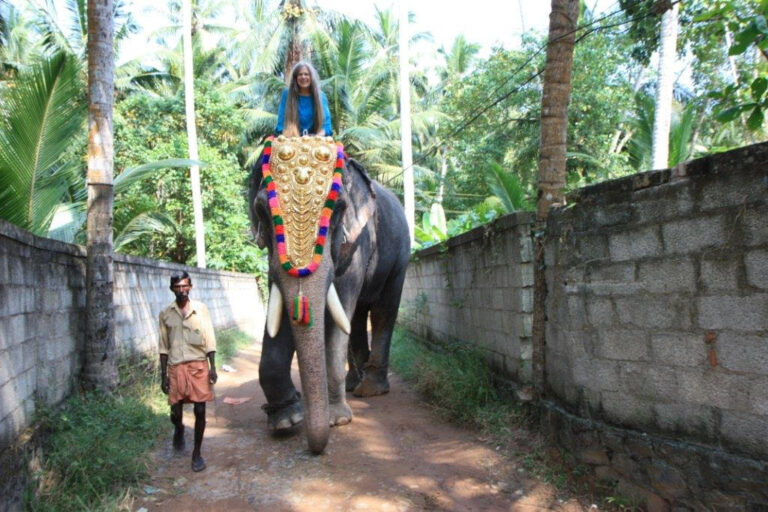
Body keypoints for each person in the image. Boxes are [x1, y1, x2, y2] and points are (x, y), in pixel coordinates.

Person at [158, 271, 218, 472]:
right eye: (177, 287)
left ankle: (197, 453)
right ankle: (179, 428)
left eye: (185, 286)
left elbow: (209, 337)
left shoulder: (201, 310)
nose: (182, 290)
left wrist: (213, 367)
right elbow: (163, 346)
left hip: (198, 366)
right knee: (176, 412)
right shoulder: (166, 314)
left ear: (190, 286)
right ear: (172, 289)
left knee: (200, 410)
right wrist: (163, 375)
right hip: (176, 367)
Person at [275, 61, 333, 137]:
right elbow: (281, 124)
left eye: (306, 74)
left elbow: (326, 126)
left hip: (315, 141)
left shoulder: (321, 96)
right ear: (295, 78)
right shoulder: (287, 94)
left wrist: (315, 138)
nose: (303, 77)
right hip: (291, 140)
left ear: (311, 77)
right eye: (300, 74)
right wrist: (295, 139)